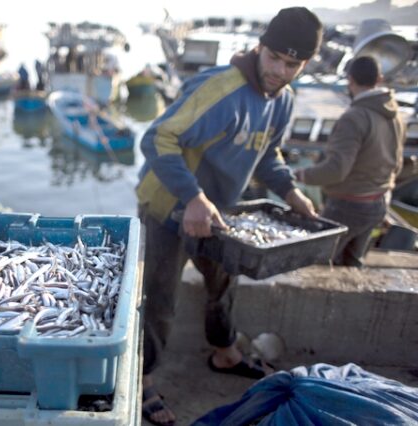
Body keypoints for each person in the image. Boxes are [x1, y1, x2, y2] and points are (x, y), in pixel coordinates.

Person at [136, 7, 322, 426]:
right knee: (159, 300)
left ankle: (224, 352)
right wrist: (193, 197)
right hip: (168, 206)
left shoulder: (284, 100)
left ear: (304, 64)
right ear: (260, 47)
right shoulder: (221, 89)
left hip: (219, 214)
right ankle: (142, 379)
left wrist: (291, 191)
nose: (279, 69)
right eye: (274, 57)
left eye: (291, 64)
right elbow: (157, 137)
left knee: (224, 283)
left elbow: (266, 153)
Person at [295, 56, 405, 267]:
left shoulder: (354, 117)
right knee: (352, 263)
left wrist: (302, 175)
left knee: (319, 263)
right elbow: (397, 164)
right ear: (379, 79)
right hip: (378, 203)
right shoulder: (394, 113)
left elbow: (337, 170)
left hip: (348, 205)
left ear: (350, 79)